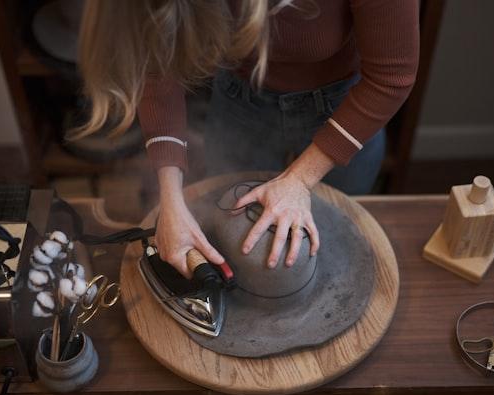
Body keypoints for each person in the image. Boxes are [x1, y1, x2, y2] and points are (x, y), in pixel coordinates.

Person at [72, 0, 419, 278]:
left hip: (346, 109)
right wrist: (170, 200)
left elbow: (391, 77)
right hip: (240, 99)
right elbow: (159, 69)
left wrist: (300, 179)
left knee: (334, 253)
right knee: (235, 237)